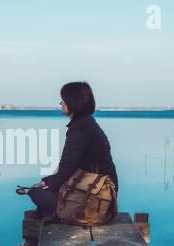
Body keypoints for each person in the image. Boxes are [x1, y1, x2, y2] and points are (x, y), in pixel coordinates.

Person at [27, 82, 118, 215]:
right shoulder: (87, 123)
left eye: (64, 100)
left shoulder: (80, 129)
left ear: (73, 102)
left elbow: (67, 167)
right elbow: (69, 166)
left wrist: (48, 186)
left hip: (97, 197)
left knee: (34, 192)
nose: (60, 103)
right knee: (43, 191)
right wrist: (46, 181)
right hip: (100, 192)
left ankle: (60, 214)